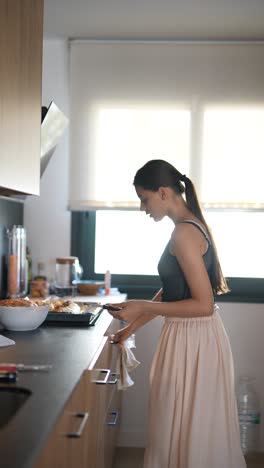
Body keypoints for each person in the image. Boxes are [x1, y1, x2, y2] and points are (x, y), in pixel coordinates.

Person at [107, 159, 246, 468]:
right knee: (184, 428)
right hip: (192, 337)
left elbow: (203, 304)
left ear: (163, 192)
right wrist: (131, 328)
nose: (143, 208)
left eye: (144, 199)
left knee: (182, 427)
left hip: (194, 339)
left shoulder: (183, 234)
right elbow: (172, 292)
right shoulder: (188, 227)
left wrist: (142, 306)